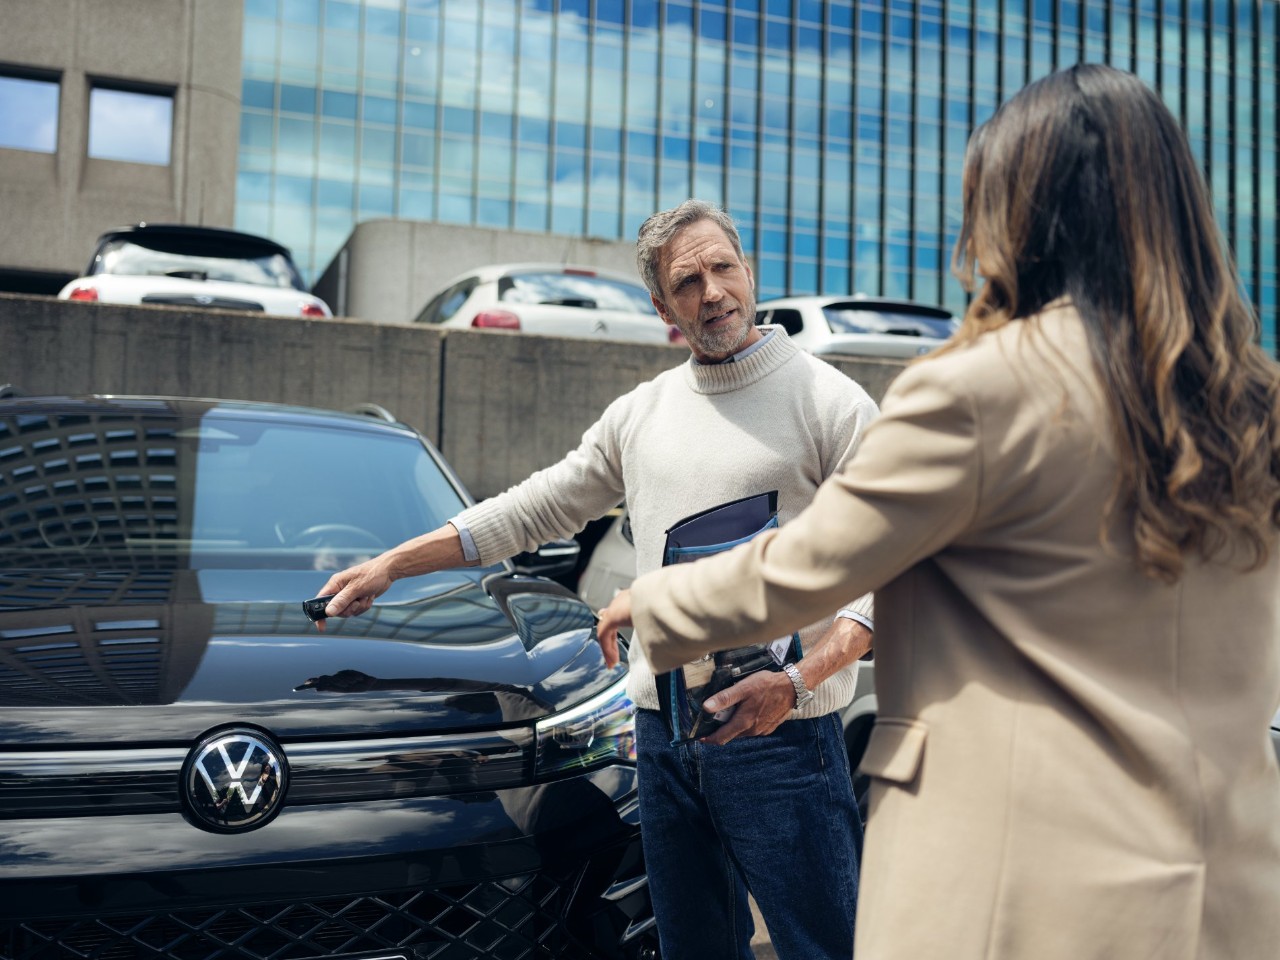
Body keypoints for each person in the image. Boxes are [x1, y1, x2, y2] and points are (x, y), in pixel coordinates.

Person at [598, 65, 1280, 960]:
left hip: (1029, 884)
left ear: (1018, 213)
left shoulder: (979, 392)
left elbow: (809, 565)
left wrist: (651, 602)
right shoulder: (1254, 404)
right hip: (1228, 888)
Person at [314, 199, 880, 960]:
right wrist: (393, 563)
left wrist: (799, 683)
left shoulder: (830, 402)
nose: (712, 292)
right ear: (662, 308)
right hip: (662, 735)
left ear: (749, 272)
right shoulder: (641, 414)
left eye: (722, 268)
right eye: (687, 282)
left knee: (824, 946)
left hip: (784, 734)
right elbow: (533, 508)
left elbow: (888, 567)